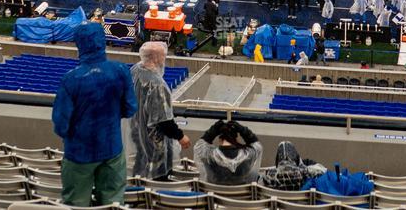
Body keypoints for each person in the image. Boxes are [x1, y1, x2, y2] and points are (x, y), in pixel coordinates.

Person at [52, 23, 137, 207]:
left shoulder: (71, 79)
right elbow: (130, 108)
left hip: (79, 154)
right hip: (112, 149)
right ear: (103, 41)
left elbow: (60, 124)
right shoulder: (121, 71)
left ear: (78, 44)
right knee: (112, 204)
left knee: (76, 204)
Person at [129, 42, 190, 180]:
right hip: (154, 140)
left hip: (137, 131)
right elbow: (163, 120)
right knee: (158, 174)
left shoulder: (135, 70)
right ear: (156, 58)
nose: (164, 60)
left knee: (140, 166)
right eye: (163, 56)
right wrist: (180, 136)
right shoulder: (157, 85)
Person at [194, 119, 263, 186]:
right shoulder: (248, 156)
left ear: (220, 139)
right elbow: (257, 146)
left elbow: (199, 146)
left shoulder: (209, 156)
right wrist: (243, 130)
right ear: (236, 138)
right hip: (242, 194)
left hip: (214, 193)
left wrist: (213, 131)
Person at [260, 142, 324, 191]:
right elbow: (324, 171)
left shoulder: (266, 177)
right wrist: (302, 165)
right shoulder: (306, 173)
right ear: (296, 159)